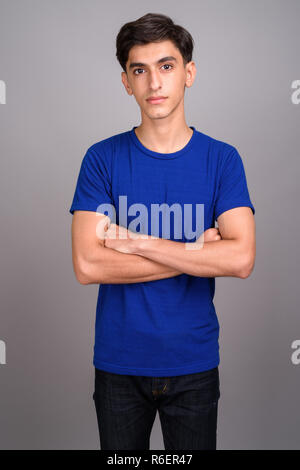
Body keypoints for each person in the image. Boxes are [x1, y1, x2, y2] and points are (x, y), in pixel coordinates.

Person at [69, 12, 256, 450]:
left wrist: (136, 242)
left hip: (193, 363)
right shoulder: (101, 159)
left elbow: (241, 259)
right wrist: (194, 251)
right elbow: (86, 264)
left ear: (188, 73)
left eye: (166, 66)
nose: (154, 83)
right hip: (119, 364)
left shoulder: (222, 160)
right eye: (140, 70)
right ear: (126, 82)